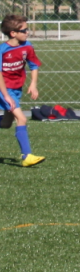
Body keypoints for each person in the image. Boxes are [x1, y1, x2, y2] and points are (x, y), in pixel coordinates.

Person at [0, 14, 45, 167]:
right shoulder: (2, 50)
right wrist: (6, 95)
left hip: (16, 89)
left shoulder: (27, 46)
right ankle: (27, 156)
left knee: (6, 123)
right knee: (22, 119)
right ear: (13, 33)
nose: (28, 32)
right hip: (4, 89)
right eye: (24, 30)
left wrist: (33, 84)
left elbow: (34, 65)